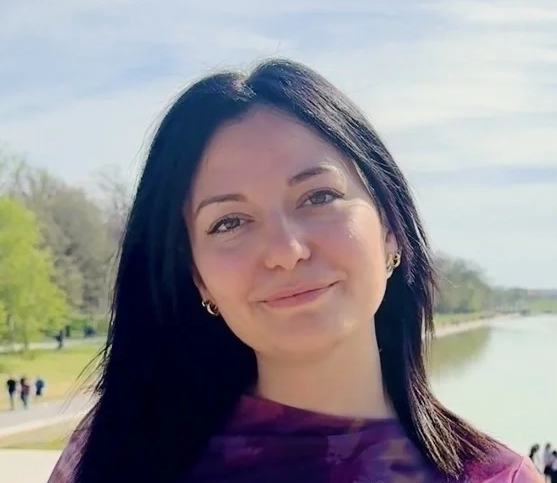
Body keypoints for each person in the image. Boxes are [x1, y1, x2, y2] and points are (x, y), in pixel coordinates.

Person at [47, 59, 543, 483]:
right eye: (229, 222)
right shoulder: (116, 456)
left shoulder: (494, 478)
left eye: (318, 197)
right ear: (198, 276)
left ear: (390, 228)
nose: (285, 251)